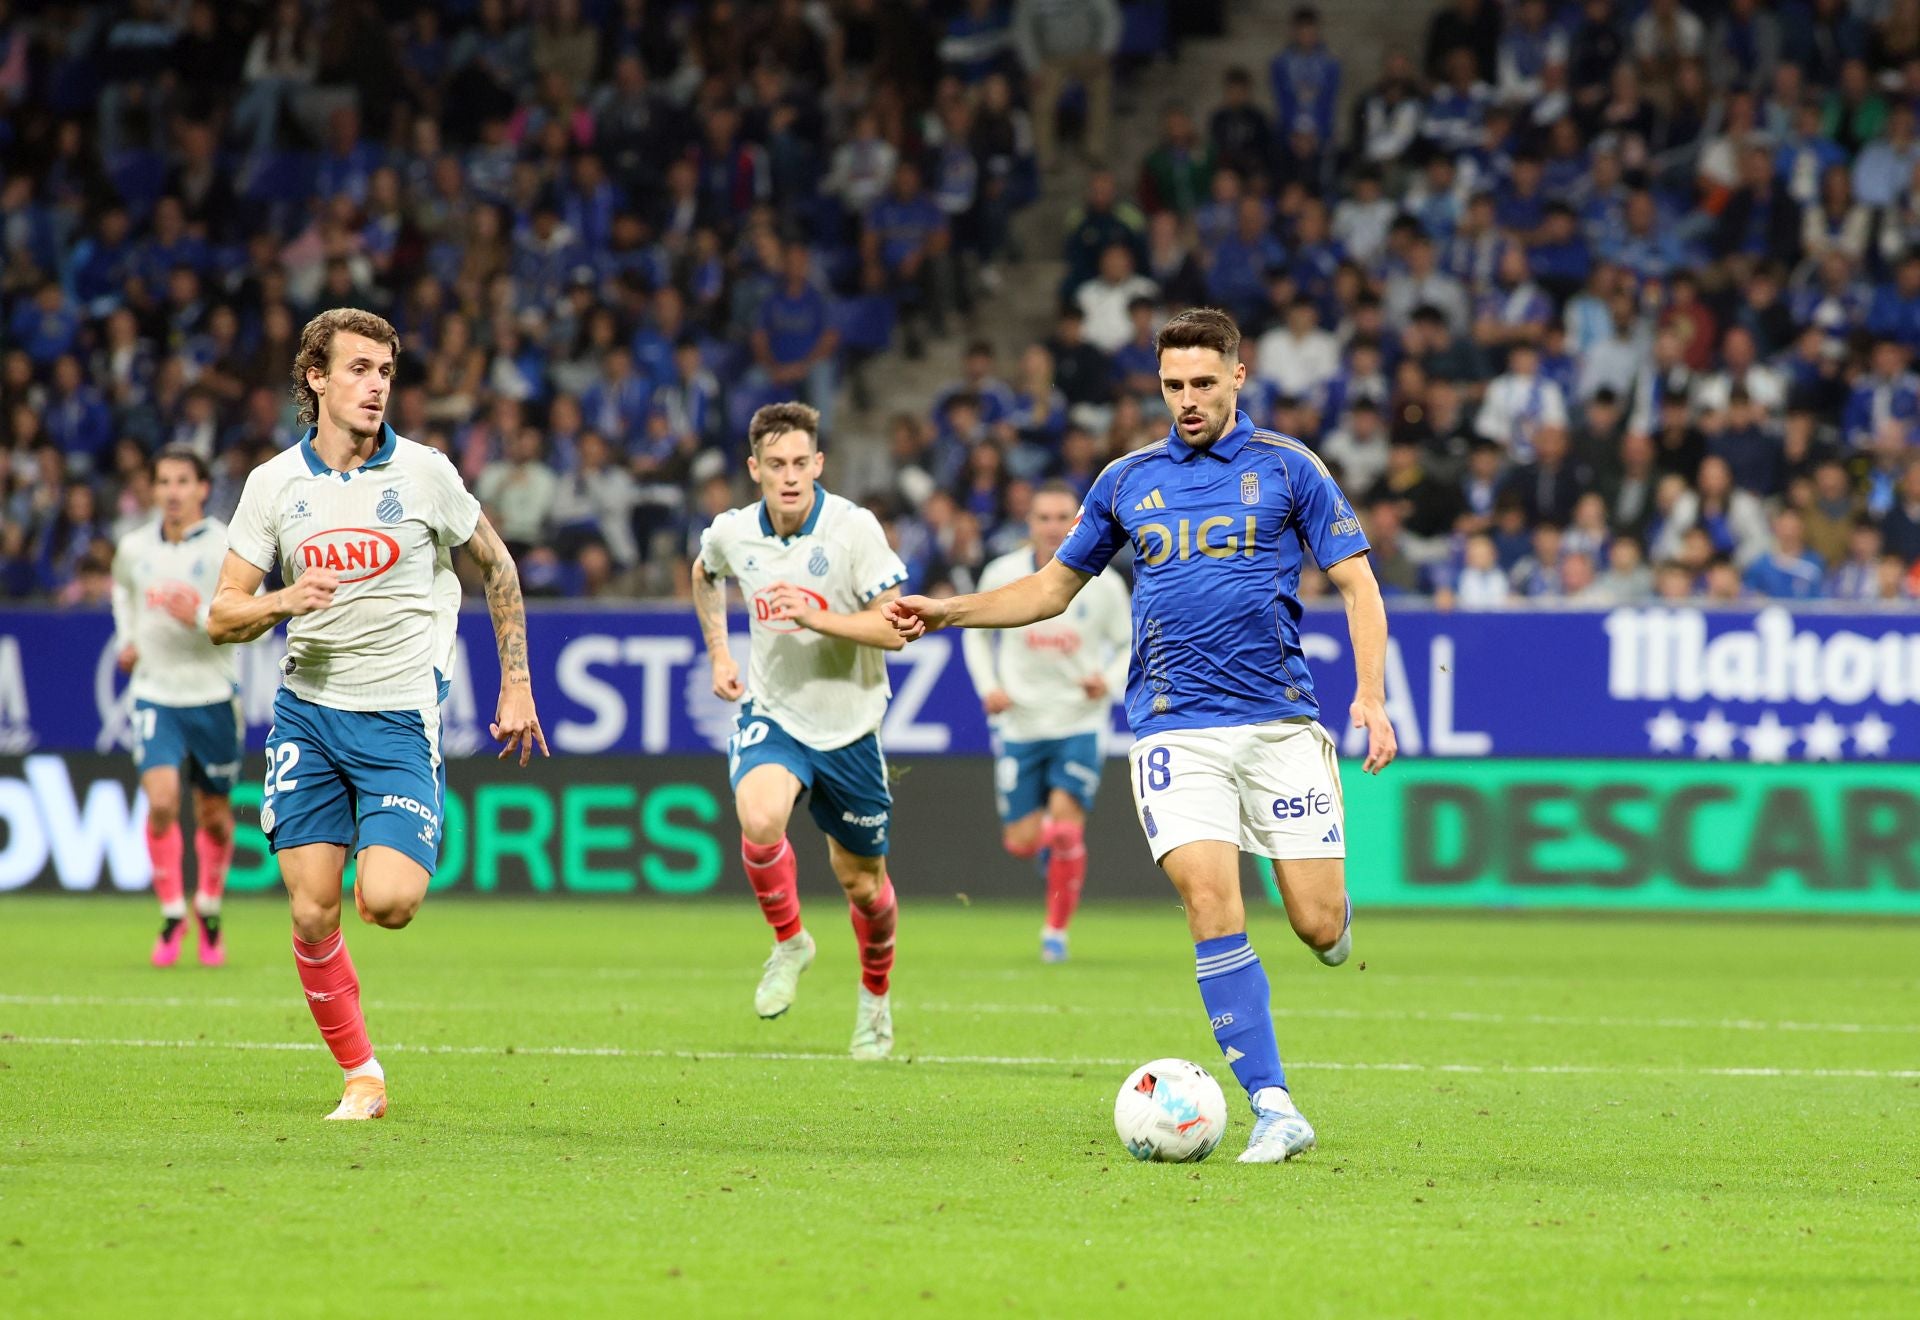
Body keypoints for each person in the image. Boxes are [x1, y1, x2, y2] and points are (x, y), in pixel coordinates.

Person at [886, 308, 1397, 1164]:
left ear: (1239, 376)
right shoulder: (1127, 480)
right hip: (1173, 726)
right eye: (1173, 385)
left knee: (1313, 925)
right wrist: (950, 611)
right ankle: (1275, 1106)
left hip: (1278, 722)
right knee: (1210, 900)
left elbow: (1359, 584)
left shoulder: (1289, 468)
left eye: (1203, 382)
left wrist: (1373, 699)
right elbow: (1050, 590)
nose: (1188, 400)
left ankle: (1334, 922)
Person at [208, 309, 546, 1122]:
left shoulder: (426, 474)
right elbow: (222, 614)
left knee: (386, 902)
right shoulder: (273, 486)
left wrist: (517, 683)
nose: (376, 386)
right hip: (308, 718)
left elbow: (497, 569)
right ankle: (362, 1076)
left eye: (386, 372)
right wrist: (284, 598)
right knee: (311, 906)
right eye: (358, 369)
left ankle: (419, 812)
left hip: (397, 719)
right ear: (316, 378)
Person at [691, 401, 910, 1060]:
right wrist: (721, 654)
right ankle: (790, 942)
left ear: (818, 464)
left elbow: (895, 627)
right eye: (775, 464)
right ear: (754, 468)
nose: (789, 477)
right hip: (774, 713)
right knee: (759, 819)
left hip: (849, 729)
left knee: (864, 888)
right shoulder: (733, 533)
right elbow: (705, 575)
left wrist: (819, 619)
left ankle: (874, 998)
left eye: (800, 464)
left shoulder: (853, 530)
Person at [960, 479, 1130, 962]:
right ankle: (1047, 852)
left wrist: (1109, 680)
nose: (1054, 527)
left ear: (1077, 522)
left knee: (1068, 830)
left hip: (1079, 720)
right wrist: (988, 685)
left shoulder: (1104, 581)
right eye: (1044, 518)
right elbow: (974, 633)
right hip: (1020, 722)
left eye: (1063, 517)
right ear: (1028, 524)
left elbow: (1129, 642)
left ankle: (1055, 932)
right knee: (1023, 840)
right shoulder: (1001, 572)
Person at [111, 446, 240, 969]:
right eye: (163, 481)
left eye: (182, 481)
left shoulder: (229, 544)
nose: (171, 491)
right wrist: (128, 637)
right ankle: (171, 914)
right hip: (155, 692)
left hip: (212, 694)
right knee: (162, 802)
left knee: (213, 816)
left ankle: (208, 908)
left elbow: (248, 617)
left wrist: (203, 613)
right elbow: (123, 592)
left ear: (202, 489)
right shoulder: (133, 546)